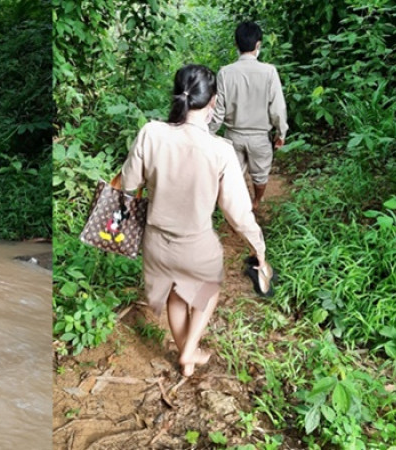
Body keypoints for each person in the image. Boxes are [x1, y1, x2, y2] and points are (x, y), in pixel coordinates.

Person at [121, 64, 273, 377]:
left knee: (177, 294)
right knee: (209, 290)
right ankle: (189, 351)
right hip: (194, 242)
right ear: (213, 102)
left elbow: (127, 183)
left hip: (155, 241)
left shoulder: (151, 133)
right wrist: (258, 247)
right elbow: (238, 211)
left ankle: (187, 362)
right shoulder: (220, 150)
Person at [209, 21, 288, 211]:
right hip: (260, 137)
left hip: (233, 136)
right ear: (258, 45)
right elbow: (277, 107)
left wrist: (207, 132)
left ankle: (233, 209)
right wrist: (281, 132)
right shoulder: (269, 72)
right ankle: (256, 202)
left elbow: (218, 109)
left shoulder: (225, 73)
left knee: (231, 175)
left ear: (236, 45)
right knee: (260, 175)